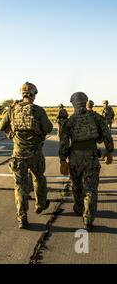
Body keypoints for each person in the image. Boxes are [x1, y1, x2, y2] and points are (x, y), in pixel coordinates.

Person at [0, 82, 53, 229]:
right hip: (35, 154)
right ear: (34, 94)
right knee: (39, 178)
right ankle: (40, 204)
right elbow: (48, 128)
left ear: (22, 94)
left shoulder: (12, 110)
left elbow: (1, 126)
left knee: (20, 187)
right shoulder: (38, 110)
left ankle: (22, 217)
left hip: (18, 155)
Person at [59, 92, 114, 230]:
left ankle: (79, 208)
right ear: (86, 102)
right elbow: (107, 134)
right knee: (90, 189)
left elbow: (64, 142)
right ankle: (88, 218)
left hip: (75, 157)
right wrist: (109, 151)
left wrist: (62, 159)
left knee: (77, 186)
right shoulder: (96, 117)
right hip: (91, 155)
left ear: (73, 104)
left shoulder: (70, 121)